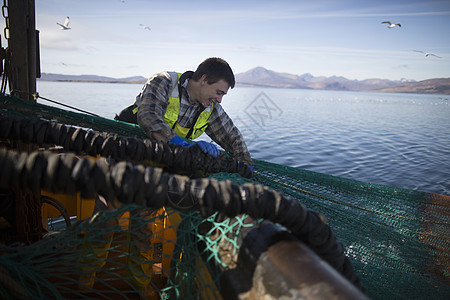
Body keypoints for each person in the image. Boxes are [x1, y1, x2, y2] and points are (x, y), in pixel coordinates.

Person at [115, 57, 253, 166]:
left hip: (163, 155)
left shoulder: (211, 107)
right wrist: (182, 144)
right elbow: (149, 116)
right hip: (126, 146)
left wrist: (245, 163)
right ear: (204, 79)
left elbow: (233, 137)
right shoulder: (164, 82)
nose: (220, 100)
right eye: (218, 92)